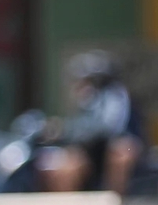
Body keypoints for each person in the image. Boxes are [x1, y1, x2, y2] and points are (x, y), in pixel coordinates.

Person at [35, 51, 146, 194]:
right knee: (66, 163)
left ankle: (114, 204)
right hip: (93, 149)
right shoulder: (86, 100)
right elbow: (79, 126)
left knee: (121, 151)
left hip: (116, 146)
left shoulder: (115, 96)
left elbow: (107, 127)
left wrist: (68, 131)